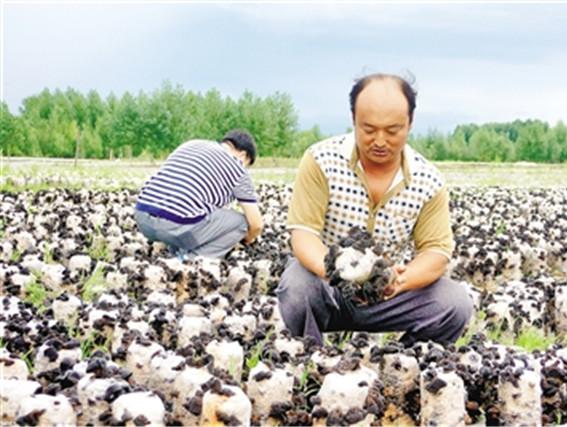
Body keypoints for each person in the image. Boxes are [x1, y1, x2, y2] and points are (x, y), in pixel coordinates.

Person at [277, 73, 473, 347]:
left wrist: (399, 281)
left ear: (410, 123)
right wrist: (339, 270)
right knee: (297, 285)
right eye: (368, 129)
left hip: (387, 295)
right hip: (329, 285)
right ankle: (309, 364)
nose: (380, 141)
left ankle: (400, 367)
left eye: (393, 130)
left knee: (454, 304)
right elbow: (304, 235)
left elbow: (436, 252)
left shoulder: (428, 179)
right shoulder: (321, 160)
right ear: (353, 119)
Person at [134, 129, 263, 259]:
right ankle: (188, 262)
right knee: (241, 223)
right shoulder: (238, 168)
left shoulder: (191, 145)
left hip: (143, 217)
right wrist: (244, 240)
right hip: (175, 226)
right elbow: (256, 224)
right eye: (247, 165)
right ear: (243, 155)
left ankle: (173, 253)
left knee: (192, 210)